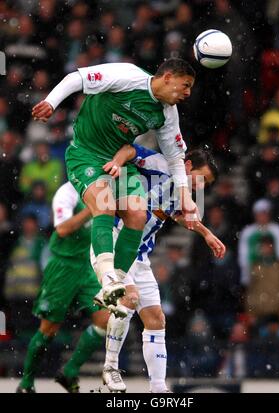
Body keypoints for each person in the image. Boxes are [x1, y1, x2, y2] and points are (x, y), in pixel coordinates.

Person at [32, 58, 199, 309]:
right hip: (86, 153)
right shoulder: (127, 76)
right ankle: (107, 277)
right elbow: (76, 78)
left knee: (137, 214)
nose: (188, 93)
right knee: (105, 204)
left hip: (119, 161)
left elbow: (176, 159)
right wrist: (51, 102)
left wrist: (185, 196)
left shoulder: (167, 113)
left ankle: (114, 285)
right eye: (185, 85)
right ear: (167, 78)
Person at [91, 143, 226, 393]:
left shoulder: (181, 193)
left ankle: (158, 388)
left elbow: (178, 215)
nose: (201, 186)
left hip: (140, 256)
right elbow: (129, 149)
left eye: (206, 184)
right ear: (187, 166)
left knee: (156, 319)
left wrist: (207, 234)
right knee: (128, 299)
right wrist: (119, 162)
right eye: (201, 178)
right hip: (115, 242)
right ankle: (110, 367)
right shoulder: (159, 163)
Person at [16, 181, 119, 393]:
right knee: (49, 329)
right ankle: (26, 383)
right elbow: (62, 229)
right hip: (63, 266)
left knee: (106, 318)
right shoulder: (67, 192)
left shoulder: (104, 189)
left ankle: (70, 370)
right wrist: (92, 208)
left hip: (86, 266)